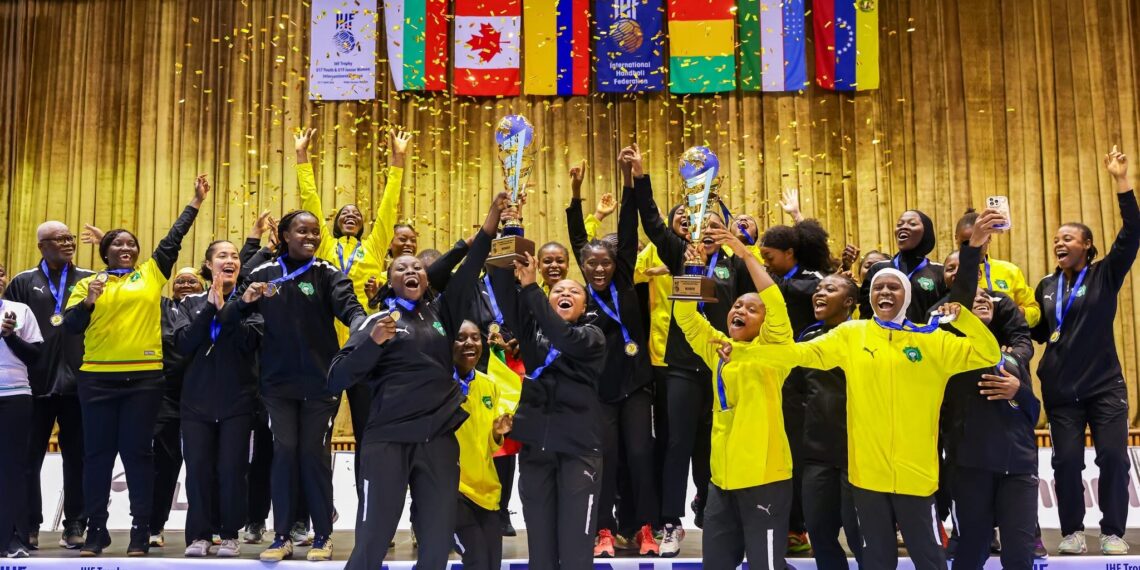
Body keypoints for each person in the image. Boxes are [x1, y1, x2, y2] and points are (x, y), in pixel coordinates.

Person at [752, 267, 1002, 570]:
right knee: (876, 561)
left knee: (930, 559)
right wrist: (745, 354)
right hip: (867, 477)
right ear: (869, 296)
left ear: (907, 296)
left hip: (916, 477)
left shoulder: (933, 341)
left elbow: (989, 354)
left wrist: (964, 319)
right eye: (878, 287)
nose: (884, 292)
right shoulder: (851, 335)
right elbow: (799, 355)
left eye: (893, 287)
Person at [328, 192, 508, 570]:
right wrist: (371, 346)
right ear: (388, 281)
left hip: (438, 442)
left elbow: (472, 263)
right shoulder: (373, 322)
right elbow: (336, 378)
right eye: (401, 268)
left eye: (417, 268)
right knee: (372, 542)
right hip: (388, 442)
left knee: (436, 545)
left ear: (427, 279)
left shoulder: (443, 310)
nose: (411, 272)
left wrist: (492, 218)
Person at [63, 174, 209, 557]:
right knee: (96, 457)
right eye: (118, 243)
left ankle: (140, 531)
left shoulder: (150, 274)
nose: (126, 247)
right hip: (96, 380)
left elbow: (172, 241)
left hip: (144, 380)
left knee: (138, 455)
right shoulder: (86, 284)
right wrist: (89, 301)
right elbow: (71, 327)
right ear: (106, 251)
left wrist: (194, 203)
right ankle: (96, 531)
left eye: (131, 243)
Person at [635, 144, 757, 556]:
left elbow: (752, 306)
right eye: (697, 224)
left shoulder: (732, 263)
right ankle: (670, 522)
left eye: (712, 225)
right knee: (678, 442)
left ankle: (713, 513)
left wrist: (739, 247)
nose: (703, 231)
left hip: (725, 363)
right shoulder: (676, 254)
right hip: (684, 365)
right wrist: (640, 178)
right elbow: (652, 223)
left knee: (716, 443)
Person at [227, 208, 367, 562]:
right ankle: (281, 536)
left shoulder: (327, 273)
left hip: (322, 385)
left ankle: (322, 534)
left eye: (316, 232)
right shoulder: (262, 273)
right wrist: (245, 300)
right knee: (284, 452)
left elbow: (349, 307)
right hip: (276, 386)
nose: (311, 237)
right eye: (302, 231)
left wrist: (363, 326)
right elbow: (229, 315)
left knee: (312, 454)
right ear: (285, 236)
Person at [1031, 146, 1137, 556]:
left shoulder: (1105, 274)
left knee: (1113, 457)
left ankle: (1112, 532)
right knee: (1066, 463)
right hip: (1061, 392)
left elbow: (1132, 233)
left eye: (1068, 238)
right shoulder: (1044, 286)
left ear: (1087, 245)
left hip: (1105, 387)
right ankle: (1073, 531)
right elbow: (1040, 331)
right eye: (1056, 239)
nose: (1060, 243)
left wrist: (1120, 181)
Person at [672, 228, 795, 570]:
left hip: (764, 480)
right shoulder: (719, 349)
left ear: (766, 322)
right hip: (722, 482)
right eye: (738, 305)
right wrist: (693, 269)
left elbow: (774, 301)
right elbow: (685, 316)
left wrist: (744, 254)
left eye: (752, 309)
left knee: (766, 566)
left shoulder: (776, 351)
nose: (741, 309)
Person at [487, 248, 606, 570]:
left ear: (584, 307)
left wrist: (532, 289)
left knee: (575, 551)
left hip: (579, 451)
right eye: (558, 292)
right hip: (536, 450)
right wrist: (507, 242)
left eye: (573, 292)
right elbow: (506, 299)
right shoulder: (532, 336)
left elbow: (562, 336)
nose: (565, 294)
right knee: (540, 551)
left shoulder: (591, 337)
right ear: (549, 301)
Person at [566, 150, 658, 557]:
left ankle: (645, 528)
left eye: (605, 263)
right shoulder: (583, 301)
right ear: (583, 266)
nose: (600, 270)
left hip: (636, 383)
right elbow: (576, 236)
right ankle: (603, 530)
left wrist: (627, 177)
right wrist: (575, 192)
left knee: (640, 455)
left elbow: (628, 222)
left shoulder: (623, 279)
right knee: (604, 457)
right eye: (592, 265)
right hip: (601, 390)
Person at [936, 210, 1039, 570]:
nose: (979, 297)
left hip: (1018, 461)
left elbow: (1033, 407)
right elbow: (961, 299)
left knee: (1019, 556)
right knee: (971, 551)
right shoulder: (943, 319)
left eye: (984, 293)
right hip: (969, 460)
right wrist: (974, 247)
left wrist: (1015, 381)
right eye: (955, 271)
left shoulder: (1007, 334)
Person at [4, 222, 93, 550]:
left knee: (77, 458)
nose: (68, 243)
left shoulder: (88, 279)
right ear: (42, 245)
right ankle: (28, 524)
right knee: (29, 460)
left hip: (80, 383)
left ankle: (74, 524)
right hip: (33, 384)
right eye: (60, 239)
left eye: (70, 238)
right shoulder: (22, 282)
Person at [176, 241, 263, 558]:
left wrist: (230, 307)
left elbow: (249, 341)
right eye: (222, 255)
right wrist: (210, 307)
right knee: (197, 470)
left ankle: (229, 534)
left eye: (235, 256)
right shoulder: (189, 303)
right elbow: (184, 343)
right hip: (196, 402)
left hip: (238, 402)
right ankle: (199, 535)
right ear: (208, 264)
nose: (230, 260)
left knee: (232, 470)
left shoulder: (251, 302)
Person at [759, 219, 833, 553]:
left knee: (803, 454)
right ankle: (783, 523)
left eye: (770, 256)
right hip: (776, 377)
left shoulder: (812, 281)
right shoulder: (773, 277)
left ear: (790, 253)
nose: (765, 262)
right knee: (777, 451)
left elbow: (805, 293)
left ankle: (801, 528)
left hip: (810, 379)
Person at [793, 274, 864, 570]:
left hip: (858, 456)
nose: (819, 293)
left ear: (849, 302)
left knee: (863, 538)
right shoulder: (808, 338)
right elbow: (795, 390)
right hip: (817, 456)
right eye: (818, 288)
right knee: (821, 535)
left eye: (830, 289)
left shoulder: (865, 337)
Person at [450, 320, 513, 570]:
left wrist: (497, 434)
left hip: (487, 495)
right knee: (476, 560)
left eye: (475, 338)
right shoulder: (439, 383)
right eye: (461, 337)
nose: (469, 343)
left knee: (491, 564)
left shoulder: (490, 386)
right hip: (452, 493)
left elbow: (489, 447)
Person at [149, 268, 198, 547]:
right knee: (164, 463)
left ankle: (212, 526)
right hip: (166, 394)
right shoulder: (161, 308)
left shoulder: (208, 305)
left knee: (205, 464)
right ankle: (154, 526)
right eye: (180, 280)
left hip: (203, 393)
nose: (185, 284)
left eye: (192, 280)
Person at [0, 264, 44, 558]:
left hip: (15, 396)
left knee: (13, 469)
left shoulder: (20, 310)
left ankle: (11, 537)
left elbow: (36, 356)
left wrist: (11, 336)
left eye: (0, 272)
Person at [954, 210, 1041, 327]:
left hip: (1007, 342)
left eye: (980, 240)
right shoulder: (950, 273)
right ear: (956, 239)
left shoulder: (1010, 270)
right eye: (966, 242)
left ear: (989, 237)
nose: (974, 245)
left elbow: (1035, 313)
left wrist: (1010, 312)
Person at [859, 210, 946, 320]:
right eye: (899, 224)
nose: (903, 227)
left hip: (924, 335)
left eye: (912, 224)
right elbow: (866, 313)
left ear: (926, 231)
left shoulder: (939, 271)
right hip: (883, 336)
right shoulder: (878, 269)